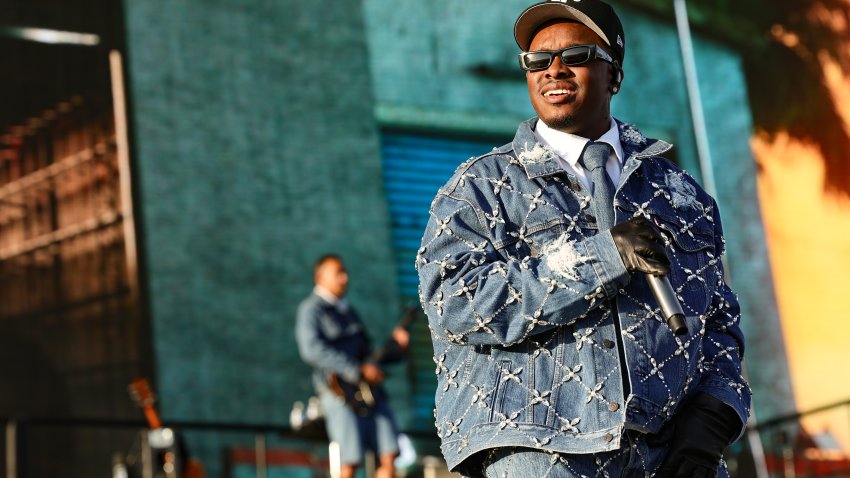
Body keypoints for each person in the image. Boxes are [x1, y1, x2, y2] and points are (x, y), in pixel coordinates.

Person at [416, 1, 751, 477]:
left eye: (575, 55)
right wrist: (603, 257)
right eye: (536, 60)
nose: (553, 69)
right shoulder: (479, 188)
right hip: (537, 449)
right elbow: (455, 303)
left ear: (613, 72)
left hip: (674, 454)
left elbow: (719, 323)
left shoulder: (679, 192)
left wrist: (711, 422)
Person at [296, 254, 410, 478]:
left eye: (344, 272)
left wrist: (396, 349)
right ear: (320, 278)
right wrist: (355, 370)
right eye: (338, 272)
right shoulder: (311, 310)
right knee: (350, 460)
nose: (344, 277)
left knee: (390, 454)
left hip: (368, 391)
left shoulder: (349, 311)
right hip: (338, 391)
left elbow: (368, 355)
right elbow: (311, 350)